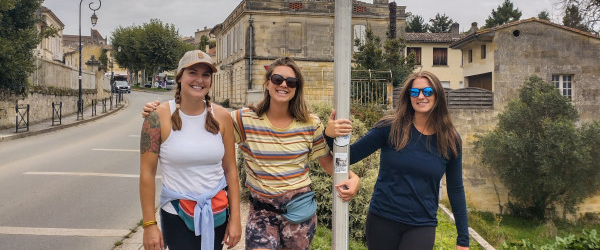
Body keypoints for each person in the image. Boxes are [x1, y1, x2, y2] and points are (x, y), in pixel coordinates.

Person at [143, 56, 360, 250]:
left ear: (297, 88)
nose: (283, 85)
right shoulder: (243, 119)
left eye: (291, 82)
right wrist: (155, 111)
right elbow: (202, 130)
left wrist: (352, 177)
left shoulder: (310, 123)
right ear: (267, 83)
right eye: (277, 79)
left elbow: (327, 162)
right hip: (261, 214)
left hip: (299, 213)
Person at [325, 71, 469, 250]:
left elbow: (456, 189)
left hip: (421, 224)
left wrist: (463, 239)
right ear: (409, 97)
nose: (421, 96)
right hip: (382, 220)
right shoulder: (390, 128)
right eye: (415, 92)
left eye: (427, 91)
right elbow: (350, 156)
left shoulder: (450, 139)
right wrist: (330, 135)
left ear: (438, 95)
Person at [139, 50, 242, 250]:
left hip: (217, 212)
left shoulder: (222, 117)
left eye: (206, 75)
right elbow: (147, 173)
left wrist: (236, 218)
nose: (199, 80)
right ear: (179, 77)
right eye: (192, 73)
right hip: (177, 214)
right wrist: (149, 224)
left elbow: (230, 170)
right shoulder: (157, 118)